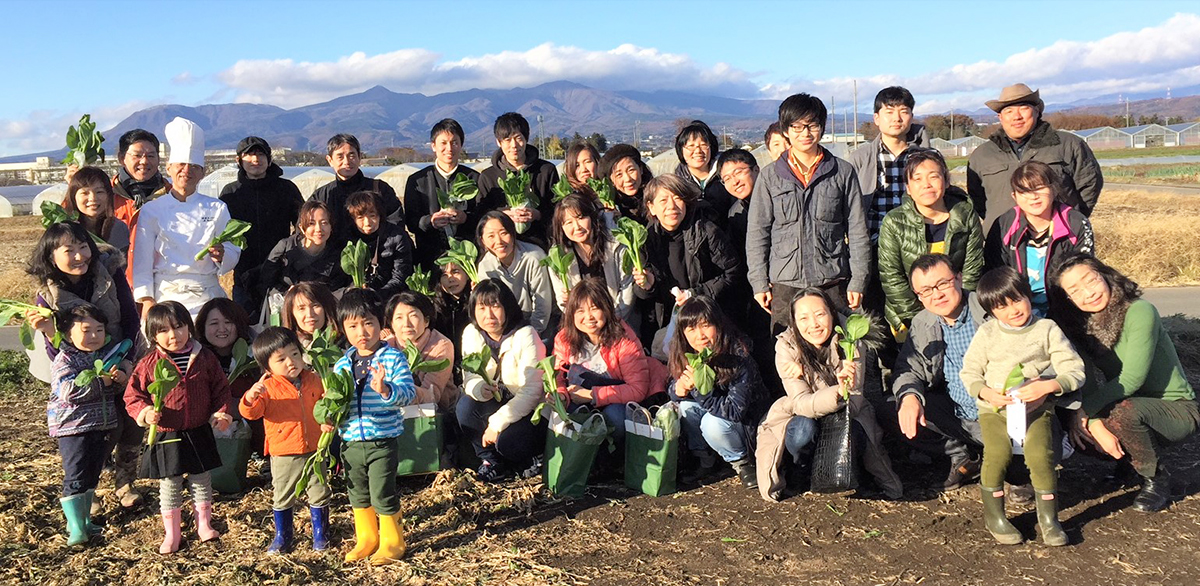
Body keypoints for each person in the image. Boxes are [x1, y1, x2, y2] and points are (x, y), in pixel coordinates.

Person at [1051, 255, 1198, 513]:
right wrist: (1092, 422)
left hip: (1175, 408)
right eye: (1075, 291)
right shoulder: (1082, 328)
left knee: (1122, 412)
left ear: (1105, 275)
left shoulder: (1139, 311)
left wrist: (1085, 412)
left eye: (1091, 280)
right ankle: (1131, 462)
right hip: (1126, 405)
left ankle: (1156, 479)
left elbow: (1132, 378)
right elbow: (1085, 382)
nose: (1088, 293)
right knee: (1076, 427)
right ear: (1069, 300)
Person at [960, 267, 1085, 546]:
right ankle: (996, 517)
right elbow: (970, 372)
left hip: (1036, 409)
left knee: (1041, 455)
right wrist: (985, 393)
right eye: (1001, 307)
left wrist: (1049, 386)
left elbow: (1074, 369)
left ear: (1028, 296)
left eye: (1017, 300)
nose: (1012, 310)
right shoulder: (988, 333)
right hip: (995, 410)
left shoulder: (1047, 329)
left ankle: (1049, 520)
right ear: (991, 312)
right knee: (997, 453)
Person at [27, 222, 143, 509]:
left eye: (83, 247)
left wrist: (127, 360)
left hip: (120, 355)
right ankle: (88, 489)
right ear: (52, 256)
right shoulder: (47, 294)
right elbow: (56, 353)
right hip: (83, 371)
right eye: (69, 250)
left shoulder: (109, 272)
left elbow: (130, 318)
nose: (80, 256)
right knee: (89, 430)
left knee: (129, 421)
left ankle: (125, 483)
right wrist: (48, 330)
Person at [756, 288, 903, 501]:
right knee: (802, 430)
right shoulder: (786, 346)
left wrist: (841, 387)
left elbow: (853, 403)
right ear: (795, 322)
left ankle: (852, 470)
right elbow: (801, 404)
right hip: (804, 415)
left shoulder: (852, 341)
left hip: (845, 415)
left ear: (831, 313)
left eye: (820, 314)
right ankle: (800, 470)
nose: (813, 324)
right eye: (803, 318)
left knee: (856, 429)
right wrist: (834, 389)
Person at [746, 93, 870, 330]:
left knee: (839, 348)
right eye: (797, 126)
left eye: (812, 125)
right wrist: (759, 282)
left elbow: (857, 231)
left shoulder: (843, 172)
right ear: (786, 130)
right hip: (784, 283)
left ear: (822, 128)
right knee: (787, 354)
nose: (805, 133)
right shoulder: (770, 176)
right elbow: (757, 233)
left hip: (832, 280)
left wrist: (858, 280)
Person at [124, 301, 233, 555]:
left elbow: (220, 389)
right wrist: (145, 412)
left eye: (179, 327)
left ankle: (204, 525)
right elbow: (133, 395)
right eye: (164, 331)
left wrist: (221, 413)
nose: (173, 335)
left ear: (189, 327)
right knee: (170, 483)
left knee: (201, 479)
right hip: (166, 433)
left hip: (197, 430)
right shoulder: (148, 363)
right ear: (153, 335)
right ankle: (172, 533)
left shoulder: (204, 357)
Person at [329, 288, 416, 564]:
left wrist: (385, 389)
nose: (361, 332)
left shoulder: (392, 358)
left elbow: (408, 392)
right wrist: (329, 417)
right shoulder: (342, 364)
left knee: (382, 490)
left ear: (381, 325)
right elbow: (334, 401)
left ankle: (393, 541)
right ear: (343, 328)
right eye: (353, 325)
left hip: (381, 439)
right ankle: (367, 537)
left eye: (368, 323)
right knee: (357, 490)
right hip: (351, 441)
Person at [891, 254, 989, 491]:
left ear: (958, 278)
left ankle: (1019, 473)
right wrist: (910, 397)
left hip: (999, 414)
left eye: (942, 284)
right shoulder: (922, 323)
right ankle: (962, 455)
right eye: (926, 291)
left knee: (1019, 464)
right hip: (957, 414)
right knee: (892, 410)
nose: (937, 294)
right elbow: (908, 368)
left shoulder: (989, 308)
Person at [130, 117, 241, 318]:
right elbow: (142, 261)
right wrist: (147, 300)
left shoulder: (217, 207)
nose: (186, 171)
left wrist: (222, 254)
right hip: (166, 295)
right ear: (169, 168)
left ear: (203, 173)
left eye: (194, 166)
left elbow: (234, 248)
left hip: (207, 293)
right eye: (181, 165)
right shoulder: (152, 210)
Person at [239, 327, 332, 554]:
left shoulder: (315, 380)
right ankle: (283, 536)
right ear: (267, 366)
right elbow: (250, 413)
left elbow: (325, 407)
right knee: (283, 494)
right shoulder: (267, 388)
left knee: (319, 490)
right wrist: (250, 397)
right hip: (284, 451)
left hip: (315, 448)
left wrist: (328, 421)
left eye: (295, 354)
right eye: (281, 359)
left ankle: (321, 534)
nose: (291, 362)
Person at [48, 304, 132, 546]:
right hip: (73, 427)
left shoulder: (103, 356)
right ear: (68, 334)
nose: (94, 336)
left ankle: (84, 521)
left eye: (99, 330)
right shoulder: (65, 359)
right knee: (75, 475)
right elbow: (67, 392)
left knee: (92, 473)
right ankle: (75, 527)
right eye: (86, 330)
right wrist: (102, 383)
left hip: (100, 425)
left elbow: (112, 389)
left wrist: (118, 380)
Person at [968, 83, 1103, 231]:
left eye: (1024, 108)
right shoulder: (981, 155)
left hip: (1060, 239)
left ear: (1037, 111)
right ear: (1000, 117)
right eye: (1009, 111)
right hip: (1002, 243)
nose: (1016, 116)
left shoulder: (1069, 145)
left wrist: (1071, 221)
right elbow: (978, 200)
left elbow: (1089, 185)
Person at [877, 149, 984, 336]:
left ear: (946, 180)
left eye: (933, 176)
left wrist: (955, 311)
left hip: (958, 313)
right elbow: (892, 277)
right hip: (908, 316)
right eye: (917, 179)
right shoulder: (894, 222)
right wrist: (921, 319)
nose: (926, 184)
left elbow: (972, 270)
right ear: (908, 188)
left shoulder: (965, 215)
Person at [667, 296, 768, 489]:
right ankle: (706, 460)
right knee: (686, 407)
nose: (700, 335)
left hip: (748, 425)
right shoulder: (688, 355)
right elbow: (672, 387)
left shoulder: (738, 356)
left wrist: (698, 389)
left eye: (705, 325)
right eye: (691, 329)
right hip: (720, 414)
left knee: (711, 423)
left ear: (718, 325)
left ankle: (742, 462)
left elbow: (734, 412)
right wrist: (679, 389)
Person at [632, 175, 744, 345]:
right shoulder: (645, 240)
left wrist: (695, 294)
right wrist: (648, 286)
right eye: (663, 200)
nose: (671, 206)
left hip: (707, 321)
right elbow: (645, 295)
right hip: (670, 324)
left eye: (678, 198)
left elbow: (733, 272)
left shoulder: (707, 231)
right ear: (651, 207)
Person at [457, 279, 548, 482]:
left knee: (509, 442)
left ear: (507, 307)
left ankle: (533, 457)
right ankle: (491, 462)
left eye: (495, 306)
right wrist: (479, 388)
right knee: (465, 407)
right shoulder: (472, 333)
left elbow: (532, 391)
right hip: (496, 401)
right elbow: (469, 375)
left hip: (528, 410)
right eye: (481, 307)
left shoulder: (526, 335)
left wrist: (496, 424)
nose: (488, 315)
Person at [552, 278, 664, 441]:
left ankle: (615, 454)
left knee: (615, 418)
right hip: (579, 396)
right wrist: (561, 395)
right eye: (580, 311)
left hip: (615, 399)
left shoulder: (624, 339)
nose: (588, 317)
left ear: (606, 309)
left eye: (594, 308)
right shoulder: (564, 339)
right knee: (566, 413)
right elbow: (557, 378)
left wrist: (592, 395)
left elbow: (637, 389)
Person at [984, 160, 1094, 317]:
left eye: (1040, 188)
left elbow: (1083, 270)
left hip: (1066, 306)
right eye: (1024, 191)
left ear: (1053, 189)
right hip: (1018, 310)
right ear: (1014, 196)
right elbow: (995, 274)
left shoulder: (1076, 223)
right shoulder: (1004, 225)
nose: (1033, 197)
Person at [219, 136, 304, 317]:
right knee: (244, 327)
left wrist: (293, 256)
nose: (255, 160)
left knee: (280, 325)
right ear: (239, 160)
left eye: (260, 154)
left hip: (280, 274)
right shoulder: (231, 193)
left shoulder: (286, 188)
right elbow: (222, 232)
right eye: (249, 155)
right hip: (243, 276)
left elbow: (302, 225)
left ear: (269, 159)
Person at [847, 86, 934, 244]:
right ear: (876, 118)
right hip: (874, 246)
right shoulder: (859, 158)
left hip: (919, 245)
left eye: (904, 111)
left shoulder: (927, 158)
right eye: (889, 112)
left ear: (911, 116)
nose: (897, 118)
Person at [403, 119, 481, 271]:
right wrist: (430, 221)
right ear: (433, 146)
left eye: (454, 142)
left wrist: (465, 218)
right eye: (443, 143)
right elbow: (411, 223)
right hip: (430, 257)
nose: (449, 148)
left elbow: (484, 217)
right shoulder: (418, 181)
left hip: (467, 259)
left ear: (461, 145)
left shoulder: (474, 178)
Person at [476, 112, 560, 246]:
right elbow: (480, 215)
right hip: (501, 246)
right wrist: (500, 214)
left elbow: (559, 209)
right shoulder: (488, 176)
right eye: (507, 140)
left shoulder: (545, 170)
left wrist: (537, 214)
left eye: (518, 138)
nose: (514, 145)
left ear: (526, 139)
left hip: (539, 243)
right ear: (499, 142)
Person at [548, 193, 635, 320]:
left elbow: (627, 291)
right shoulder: (558, 255)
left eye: (581, 218)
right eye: (568, 222)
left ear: (593, 217)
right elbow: (562, 301)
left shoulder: (617, 245)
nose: (577, 227)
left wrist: (610, 320)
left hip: (620, 319)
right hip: (584, 324)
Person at [196, 298, 262, 460]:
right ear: (202, 327)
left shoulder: (254, 355)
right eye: (213, 323)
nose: (222, 329)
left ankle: (259, 454)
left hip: (246, 415)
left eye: (228, 322)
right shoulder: (195, 358)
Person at [258, 200, 351, 310]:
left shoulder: (339, 254)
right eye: (311, 223)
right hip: (286, 309)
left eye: (324, 223)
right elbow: (266, 282)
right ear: (302, 227)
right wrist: (287, 295)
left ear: (331, 226)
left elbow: (339, 290)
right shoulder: (285, 247)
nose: (318, 229)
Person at [475, 211, 555, 337]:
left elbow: (542, 305)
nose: (499, 241)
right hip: (505, 328)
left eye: (504, 233)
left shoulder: (534, 257)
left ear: (513, 234)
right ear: (482, 240)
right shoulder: (485, 266)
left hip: (540, 326)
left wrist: (530, 335)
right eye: (491, 236)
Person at [312, 133, 401, 246]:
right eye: (340, 156)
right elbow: (307, 226)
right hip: (334, 259)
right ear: (330, 160)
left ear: (359, 157)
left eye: (352, 155)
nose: (347, 161)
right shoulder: (322, 195)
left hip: (378, 256)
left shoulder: (380, 189)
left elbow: (396, 223)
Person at [109, 128, 170, 277]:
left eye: (151, 155)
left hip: (161, 284)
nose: (144, 161)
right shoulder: (105, 196)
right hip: (114, 284)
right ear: (121, 158)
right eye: (137, 156)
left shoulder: (171, 196)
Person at [385, 291, 457, 413]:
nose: (406, 324)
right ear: (391, 324)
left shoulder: (441, 345)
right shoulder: (386, 346)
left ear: (426, 321)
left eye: (413, 316)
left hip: (438, 411)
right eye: (399, 318)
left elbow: (432, 395)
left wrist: (397, 391)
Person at [345, 190, 414, 301]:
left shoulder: (396, 236)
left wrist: (376, 295)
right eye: (360, 218)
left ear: (380, 216)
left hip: (389, 297)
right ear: (353, 219)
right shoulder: (346, 238)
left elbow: (401, 276)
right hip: (355, 299)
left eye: (372, 216)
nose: (367, 222)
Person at [674, 120, 734, 221]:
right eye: (691, 146)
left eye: (703, 145)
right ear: (681, 150)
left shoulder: (727, 176)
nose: (698, 151)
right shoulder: (677, 183)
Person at [64, 166, 130, 252]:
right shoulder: (65, 229)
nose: (93, 198)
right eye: (85, 193)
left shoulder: (118, 228)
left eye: (99, 192)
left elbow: (120, 263)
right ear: (73, 197)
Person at [432, 260, 473, 378]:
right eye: (444, 275)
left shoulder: (477, 304)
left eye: (455, 272)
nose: (450, 279)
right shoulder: (434, 307)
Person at [600, 143, 653, 222]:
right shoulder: (606, 209)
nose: (627, 179)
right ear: (611, 181)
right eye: (619, 174)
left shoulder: (656, 197)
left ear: (641, 169)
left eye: (631, 170)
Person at [280, 282, 341, 352]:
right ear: (291, 313)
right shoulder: (287, 349)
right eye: (301, 308)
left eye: (315, 306)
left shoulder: (346, 343)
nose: (309, 314)